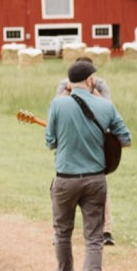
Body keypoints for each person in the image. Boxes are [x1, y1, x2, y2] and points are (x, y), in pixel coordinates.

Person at [45, 59, 131, 271]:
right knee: (94, 237)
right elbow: (125, 138)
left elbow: (50, 141)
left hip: (65, 178)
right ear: (91, 80)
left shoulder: (58, 104)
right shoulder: (105, 106)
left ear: (69, 82)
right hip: (95, 178)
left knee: (62, 232)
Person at [55, 61, 117, 245]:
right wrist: (69, 89)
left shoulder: (100, 85)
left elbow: (108, 108)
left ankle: (106, 231)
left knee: (101, 190)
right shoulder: (63, 84)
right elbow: (56, 107)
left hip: (94, 147)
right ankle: (61, 233)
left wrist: (92, 92)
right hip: (69, 148)